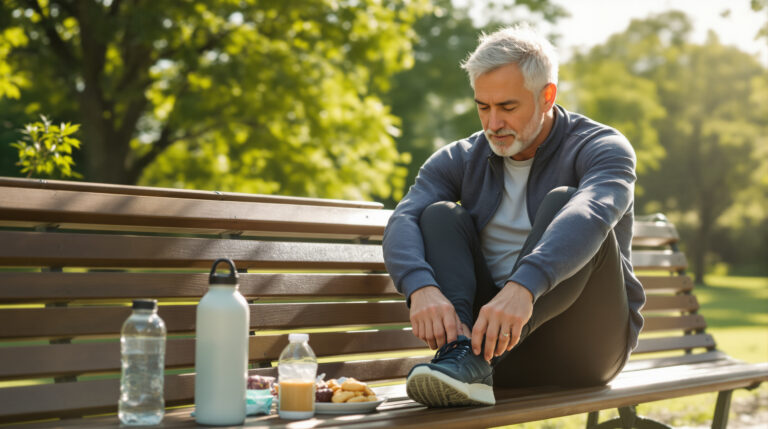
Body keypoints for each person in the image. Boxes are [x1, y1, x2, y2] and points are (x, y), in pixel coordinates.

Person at [382, 25, 645, 407]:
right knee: (437, 215)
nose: (492, 124)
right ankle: (463, 355)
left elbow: (592, 212)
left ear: (546, 96)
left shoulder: (602, 147)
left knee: (567, 203)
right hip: (488, 354)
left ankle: (469, 360)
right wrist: (420, 288)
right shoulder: (458, 159)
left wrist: (523, 287)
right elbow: (403, 219)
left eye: (507, 107)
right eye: (482, 107)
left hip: (585, 352)